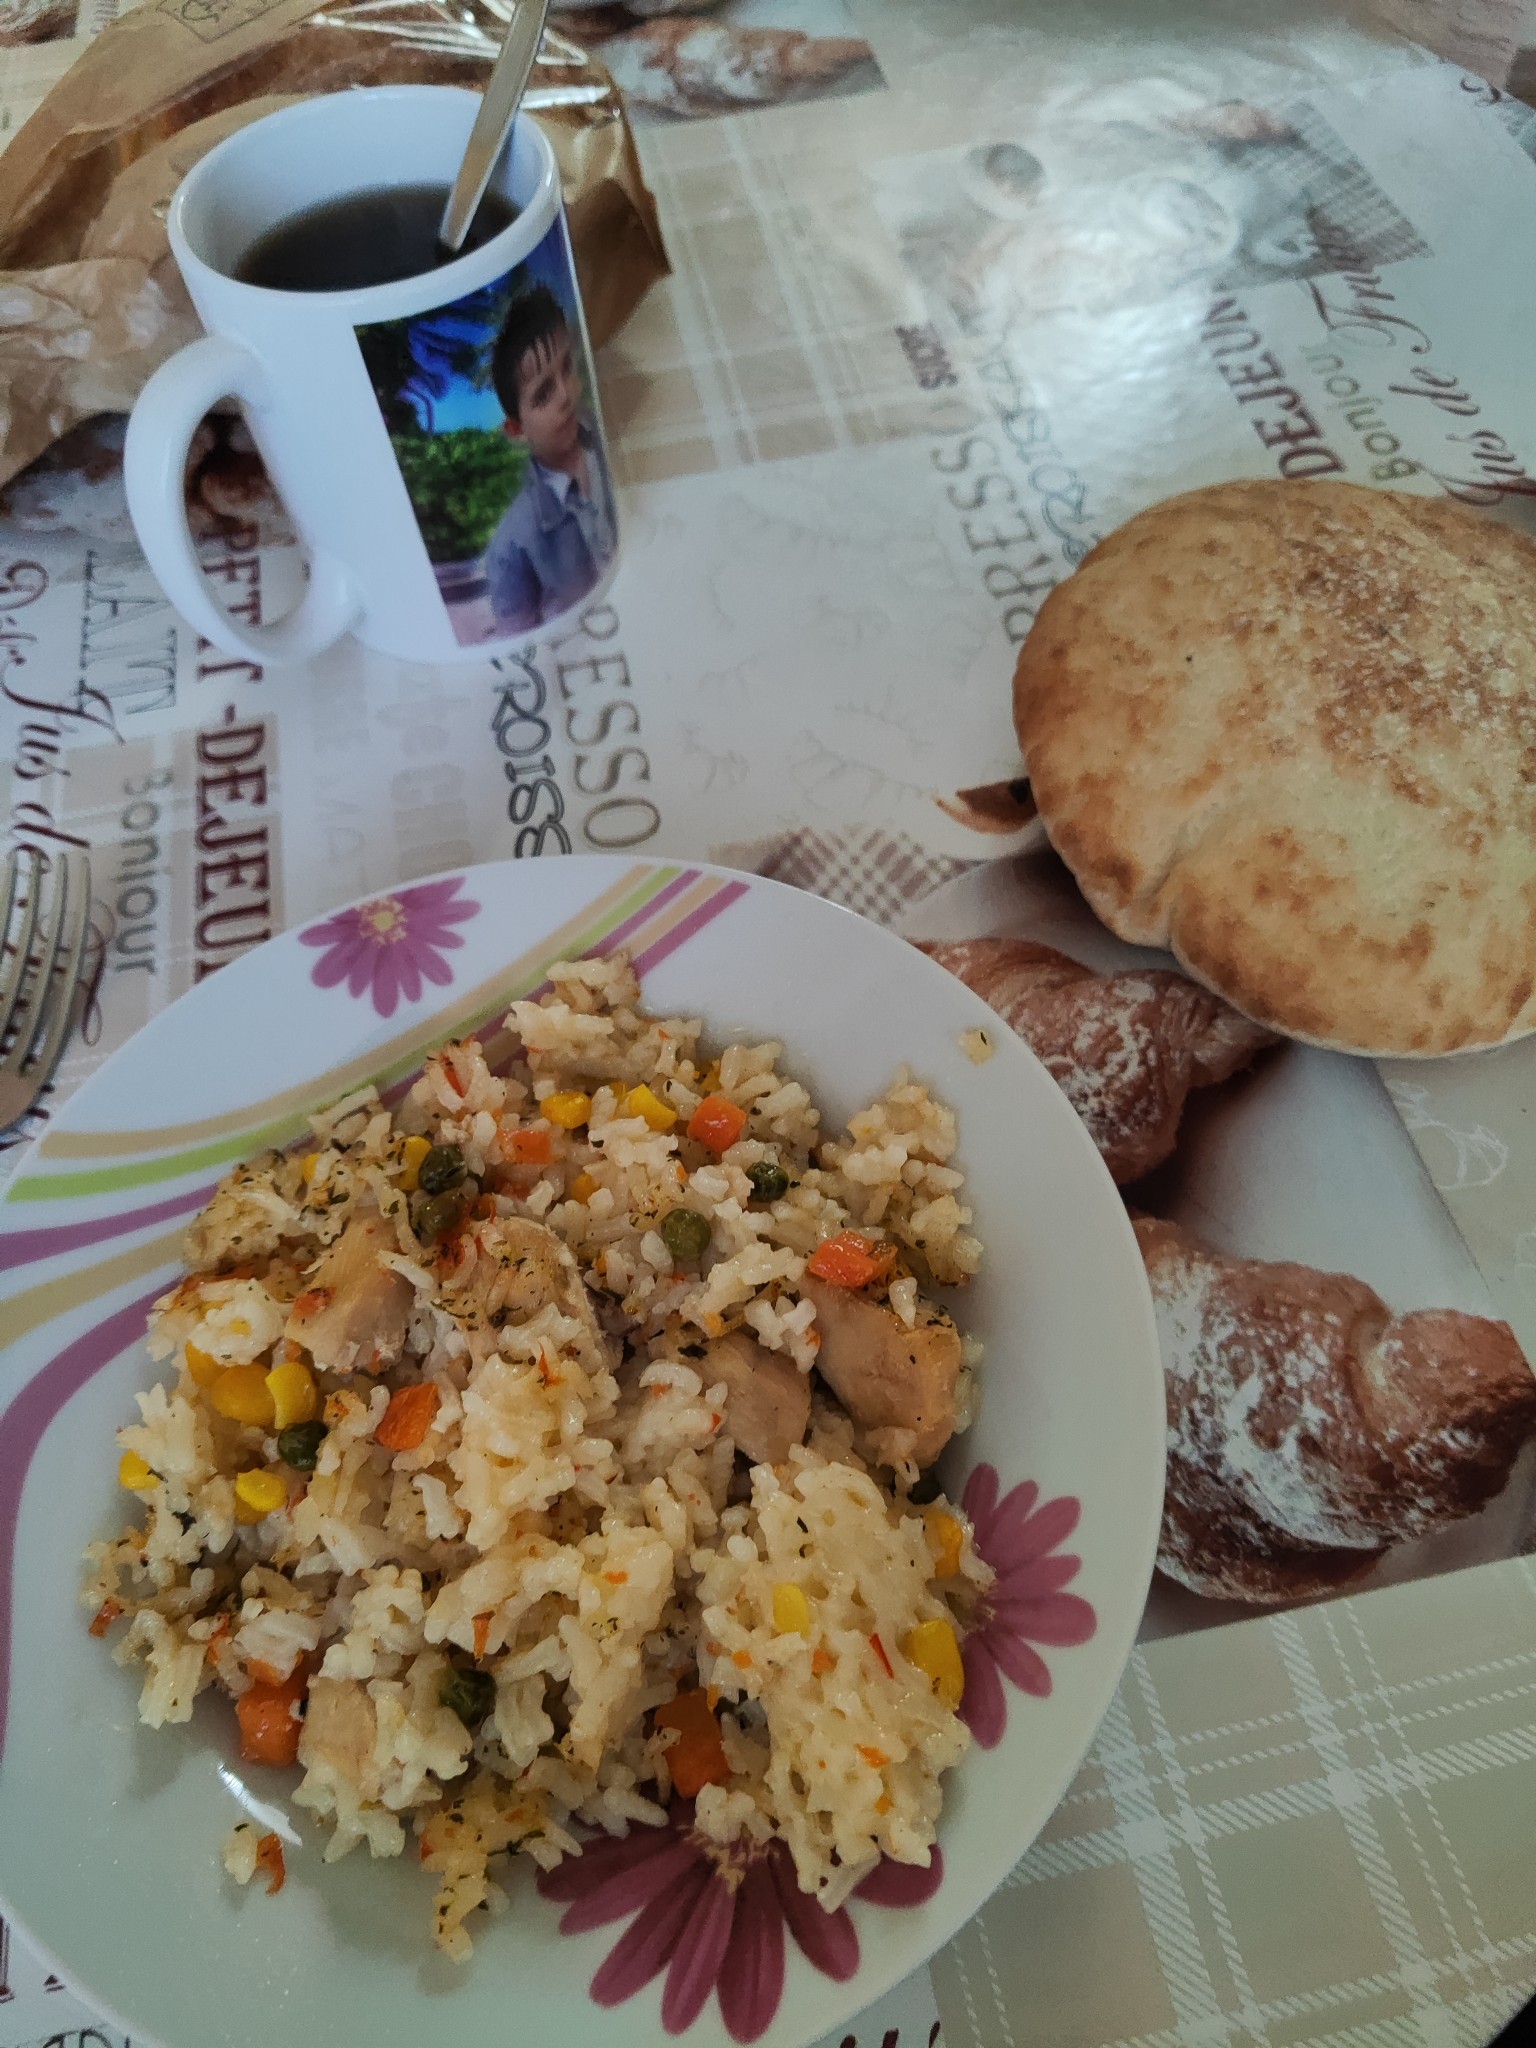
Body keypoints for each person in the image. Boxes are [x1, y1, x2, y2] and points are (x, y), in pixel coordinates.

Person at [483, 282, 617, 634]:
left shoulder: (600, 437)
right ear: (516, 430)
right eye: (543, 395)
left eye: (568, 368)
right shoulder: (512, 544)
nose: (566, 394)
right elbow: (521, 638)